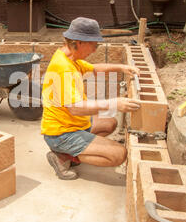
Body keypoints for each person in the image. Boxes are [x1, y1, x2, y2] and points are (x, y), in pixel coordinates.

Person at [41, 17, 141, 180]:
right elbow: (75, 107)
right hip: (61, 134)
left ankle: (71, 151)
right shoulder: (63, 68)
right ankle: (63, 157)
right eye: (93, 45)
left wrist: (122, 67)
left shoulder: (70, 57)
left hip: (73, 123)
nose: (94, 50)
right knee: (118, 155)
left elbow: (94, 68)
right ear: (79, 42)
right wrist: (114, 103)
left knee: (110, 122)